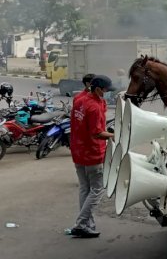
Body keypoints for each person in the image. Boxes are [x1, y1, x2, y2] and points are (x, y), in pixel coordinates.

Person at [67, 75, 115, 238]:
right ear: (98, 89)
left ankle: (87, 224)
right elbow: (97, 133)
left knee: (84, 188)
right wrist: (114, 136)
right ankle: (81, 224)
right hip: (92, 153)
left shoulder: (80, 99)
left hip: (78, 151)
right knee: (97, 190)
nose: (108, 93)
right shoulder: (94, 107)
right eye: (106, 90)